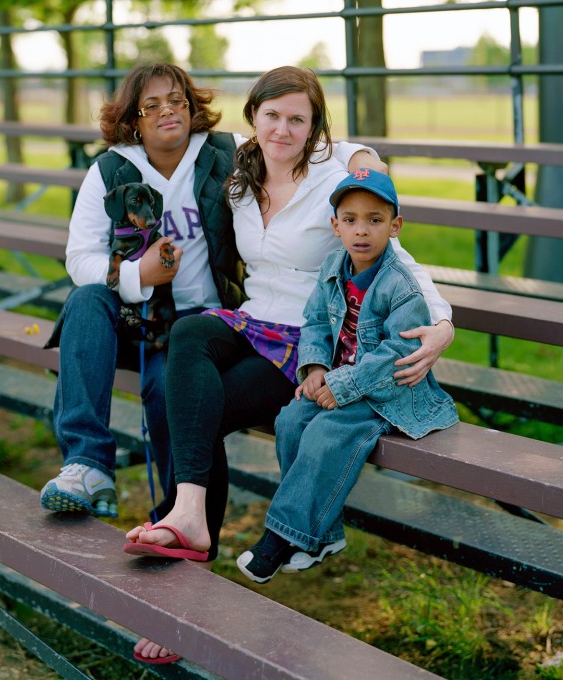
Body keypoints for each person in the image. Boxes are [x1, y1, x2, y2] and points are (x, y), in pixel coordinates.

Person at [124, 66, 454, 663]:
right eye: (272, 115)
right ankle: (191, 515)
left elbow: (397, 254)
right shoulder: (238, 177)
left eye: (297, 118)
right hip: (253, 320)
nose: (283, 128)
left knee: (189, 415)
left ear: (314, 127)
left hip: (309, 343)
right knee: (191, 335)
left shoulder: (337, 179)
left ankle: (185, 588)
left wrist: (443, 324)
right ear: (253, 117)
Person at [39, 62, 387, 526]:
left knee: (170, 393)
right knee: (84, 301)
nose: (168, 111)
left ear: (192, 106)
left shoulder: (223, 151)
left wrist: (363, 157)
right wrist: (138, 273)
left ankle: (180, 521)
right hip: (132, 318)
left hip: (198, 319)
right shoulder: (109, 170)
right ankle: (87, 464)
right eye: (153, 104)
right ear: (132, 118)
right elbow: (79, 260)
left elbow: (302, 139)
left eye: (177, 100)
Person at [236, 168, 459, 584]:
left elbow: (399, 354)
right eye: (351, 220)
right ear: (335, 226)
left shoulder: (401, 286)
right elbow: (317, 320)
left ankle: (282, 536)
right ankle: (322, 536)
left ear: (395, 227)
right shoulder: (334, 265)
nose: (362, 231)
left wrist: (342, 386)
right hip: (341, 381)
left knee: (326, 433)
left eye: (375, 220)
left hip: (387, 394)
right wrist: (318, 368)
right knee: (291, 421)